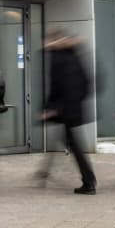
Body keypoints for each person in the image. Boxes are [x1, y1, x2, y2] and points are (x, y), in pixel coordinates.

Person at [40, 30, 96, 194]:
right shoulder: (75, 56)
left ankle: (89, 181)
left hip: (65, 111)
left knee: (74, 146)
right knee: (69, 142)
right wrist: (77, 101)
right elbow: (87, 82)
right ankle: (87, 179)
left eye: (48, 40)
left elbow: (56, 85)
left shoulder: (57, 58)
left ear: (55, 41)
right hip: (73, 109)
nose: (46, 44)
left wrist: (50, 108)